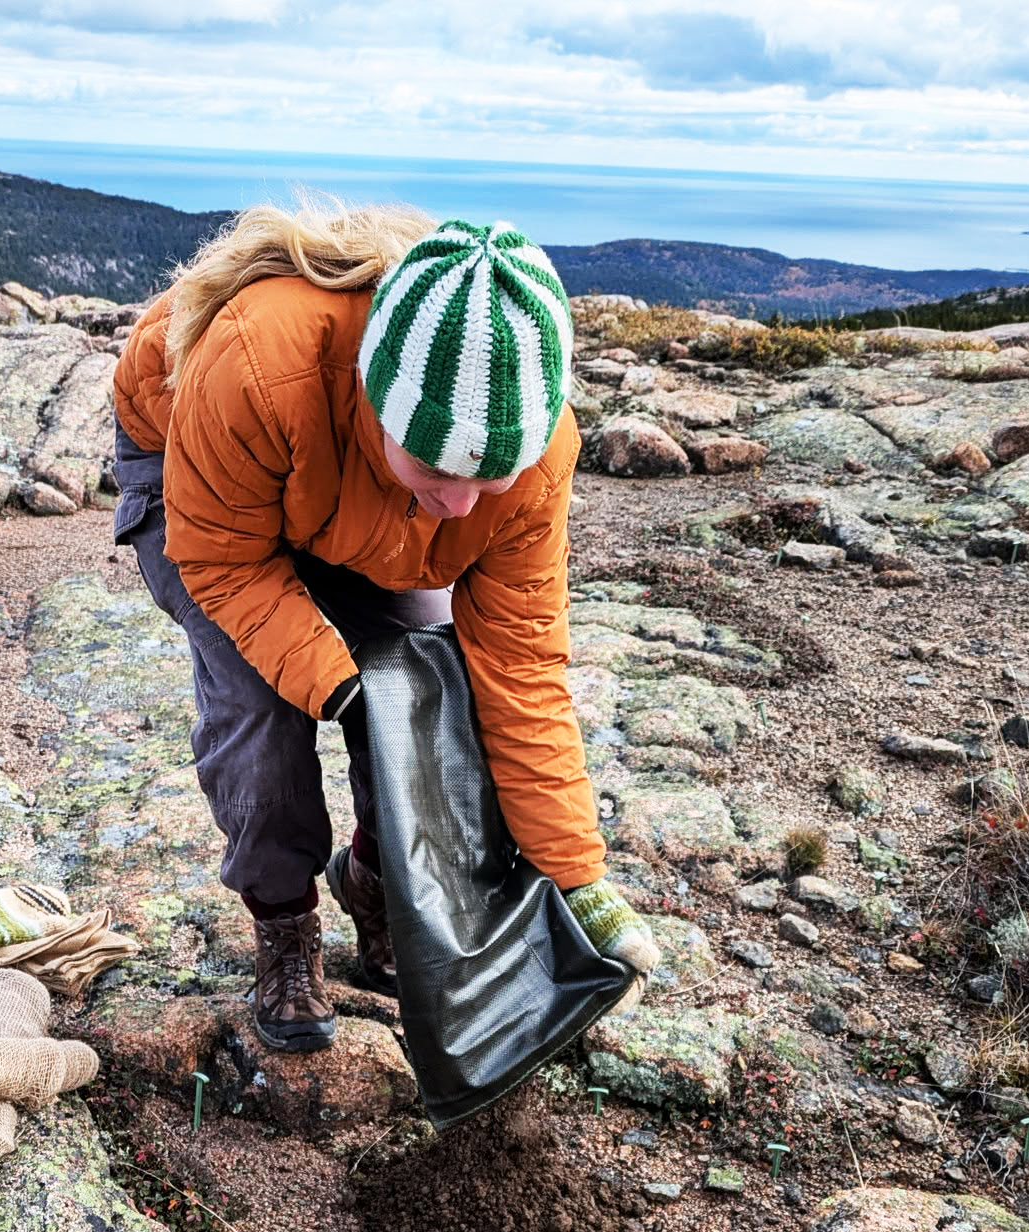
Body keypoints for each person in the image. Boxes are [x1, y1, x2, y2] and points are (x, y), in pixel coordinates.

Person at [112, 201, 658, 1052]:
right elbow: (223, 563)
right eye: (438, 468)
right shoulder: (260, 362)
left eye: (492, 479)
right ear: (377, 396)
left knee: (432, 691)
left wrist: (578, 879)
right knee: (263, 711)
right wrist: (337, 686)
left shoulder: (535, 455)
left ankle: (375, 884)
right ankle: (285, 924)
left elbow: (521, 667)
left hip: (346, 493)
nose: (459, 506)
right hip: (211, 480)